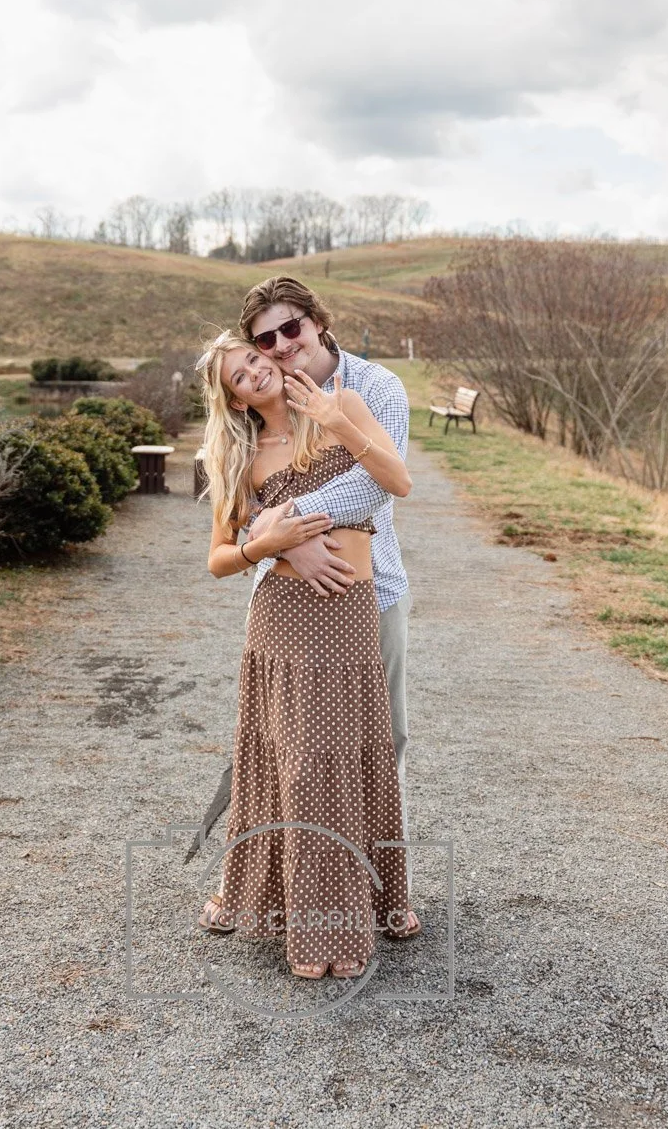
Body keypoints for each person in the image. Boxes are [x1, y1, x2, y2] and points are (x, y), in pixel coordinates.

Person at [195, 330, 419, 979]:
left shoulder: (341, 406)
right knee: (291, 765)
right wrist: (274, 543)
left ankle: (368, 905)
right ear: (234, 398)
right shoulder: (239, 456)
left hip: (351, 612)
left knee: (351, 757)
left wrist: (334, 419)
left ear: (277, 359)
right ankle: (307, 922)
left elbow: (395, 480)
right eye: (239, 374)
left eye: (257, 360)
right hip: (284, 620)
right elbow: (219, 558)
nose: (255, 374)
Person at [238, 276, 417, 905]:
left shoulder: (375, 388)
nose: (284, 344)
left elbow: (376, 486)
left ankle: (378, 883)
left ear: (317, 321)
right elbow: (241, 500)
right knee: (299, 748)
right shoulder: (262, 402)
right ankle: (301, 886)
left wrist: (278, 523)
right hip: (288, 597)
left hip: (374, 589)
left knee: (381, 735)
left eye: (292, 327)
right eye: (267, 337)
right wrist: (280, 541)